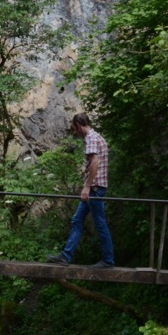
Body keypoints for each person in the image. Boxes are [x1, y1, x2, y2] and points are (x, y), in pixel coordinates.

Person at [47, 113, 115, 268]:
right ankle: (65, 257)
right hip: (96, 188)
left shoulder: (91, 138)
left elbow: (95, 162)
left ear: (78, 125)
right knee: (77, 220)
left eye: (75, 128)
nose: (75, 132)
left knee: (100, 224)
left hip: (94, 189)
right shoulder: (97, 137)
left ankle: (108, 260)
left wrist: (87, 186)